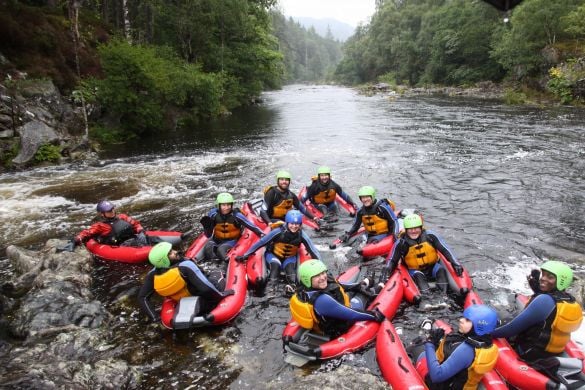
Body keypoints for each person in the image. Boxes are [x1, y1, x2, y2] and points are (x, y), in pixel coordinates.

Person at [491, 260, 583, 363]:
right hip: (552, 353)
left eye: (550, 277)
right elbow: (549, 319)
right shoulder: (572, 302)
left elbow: (510, 329)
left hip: (529, 353)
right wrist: (539, 293)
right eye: (543, 274)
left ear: (561, 281)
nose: (543, 278)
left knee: (499, 314)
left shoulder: (544, 301)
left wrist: (484, 333)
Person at [138, 242, 234, 323]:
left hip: (181, 301)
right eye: (170, 253)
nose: (175, 252)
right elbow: (206, 288)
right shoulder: (185, 266)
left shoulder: (152, 275)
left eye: (172, 250)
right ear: (164, 260)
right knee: (218, 272)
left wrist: (155, 317)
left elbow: (142, 298)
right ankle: (226, 263)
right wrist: (221, 295)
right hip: (204, 301)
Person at [289, 259, 385, 338]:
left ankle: (366, 282)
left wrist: (358, 286)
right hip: (339, 324)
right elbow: (351, 314)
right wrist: (374, 315)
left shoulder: (304, 288)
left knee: (355, 289)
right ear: (307, 279)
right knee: (363, 296)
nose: (322, 277)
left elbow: (339, 285)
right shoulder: (322, 300)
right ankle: (380, 286)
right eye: (317, 276)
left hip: (336, 305)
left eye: (323, 273)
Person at [236, 210, 321, 291]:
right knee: (275, 268)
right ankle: (271, 291)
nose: (294, 226)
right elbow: (262, 242)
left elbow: (312, 249)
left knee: (292, 275)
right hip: (273, 255)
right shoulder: (278, 232)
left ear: (300, 225)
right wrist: (246, 255)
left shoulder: (302, 235)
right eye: (292, 224)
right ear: (287, 223)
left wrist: (320, 267)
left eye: (297, 224)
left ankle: (291, 290)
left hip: (290, 258)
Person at [380, 213, 464, 294]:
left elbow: (445, 250)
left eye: (416, 228)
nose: (413, 231)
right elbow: (392, 260)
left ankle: (443, 296)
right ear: (406, 230)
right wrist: (387, 270)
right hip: (415, 271)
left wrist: (455, 263)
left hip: (433, 267)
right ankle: (427, 298)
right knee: (419, 277)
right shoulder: (401, 243)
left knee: (441, 270)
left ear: (421, 227)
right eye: (410, 229)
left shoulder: (430, 236)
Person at [421, 304, 499, 389]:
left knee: (421, 354)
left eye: (467, 320)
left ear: (479, 327)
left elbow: (437, 376)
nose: (461, 320)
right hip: (467, 385)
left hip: (445, 386)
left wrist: (430, 343)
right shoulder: (487, 343)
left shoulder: (467, 350)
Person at [195, 192, 264, 262]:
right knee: (208, 249)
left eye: (229, 205)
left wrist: (262, 234)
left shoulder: (236, 215)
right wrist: (206, 227)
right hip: (216, 239)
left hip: (232, 241)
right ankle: (214, 265)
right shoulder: (213, 214)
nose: (226, 208)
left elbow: (251, 226)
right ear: (218, 205)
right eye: (223, 205)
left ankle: (225, 264)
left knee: (221, 250)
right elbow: (208, 234)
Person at [73, 200, 148, 248]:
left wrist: (140, 230)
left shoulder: (123, 217)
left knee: (147, 238)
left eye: (112, 209)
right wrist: (77, 240)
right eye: (109, 211)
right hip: (121, 246)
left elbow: (136, 224)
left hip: (134, 240)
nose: (112, 211)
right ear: (102, 214)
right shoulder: (100, 226)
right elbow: (87, 233)